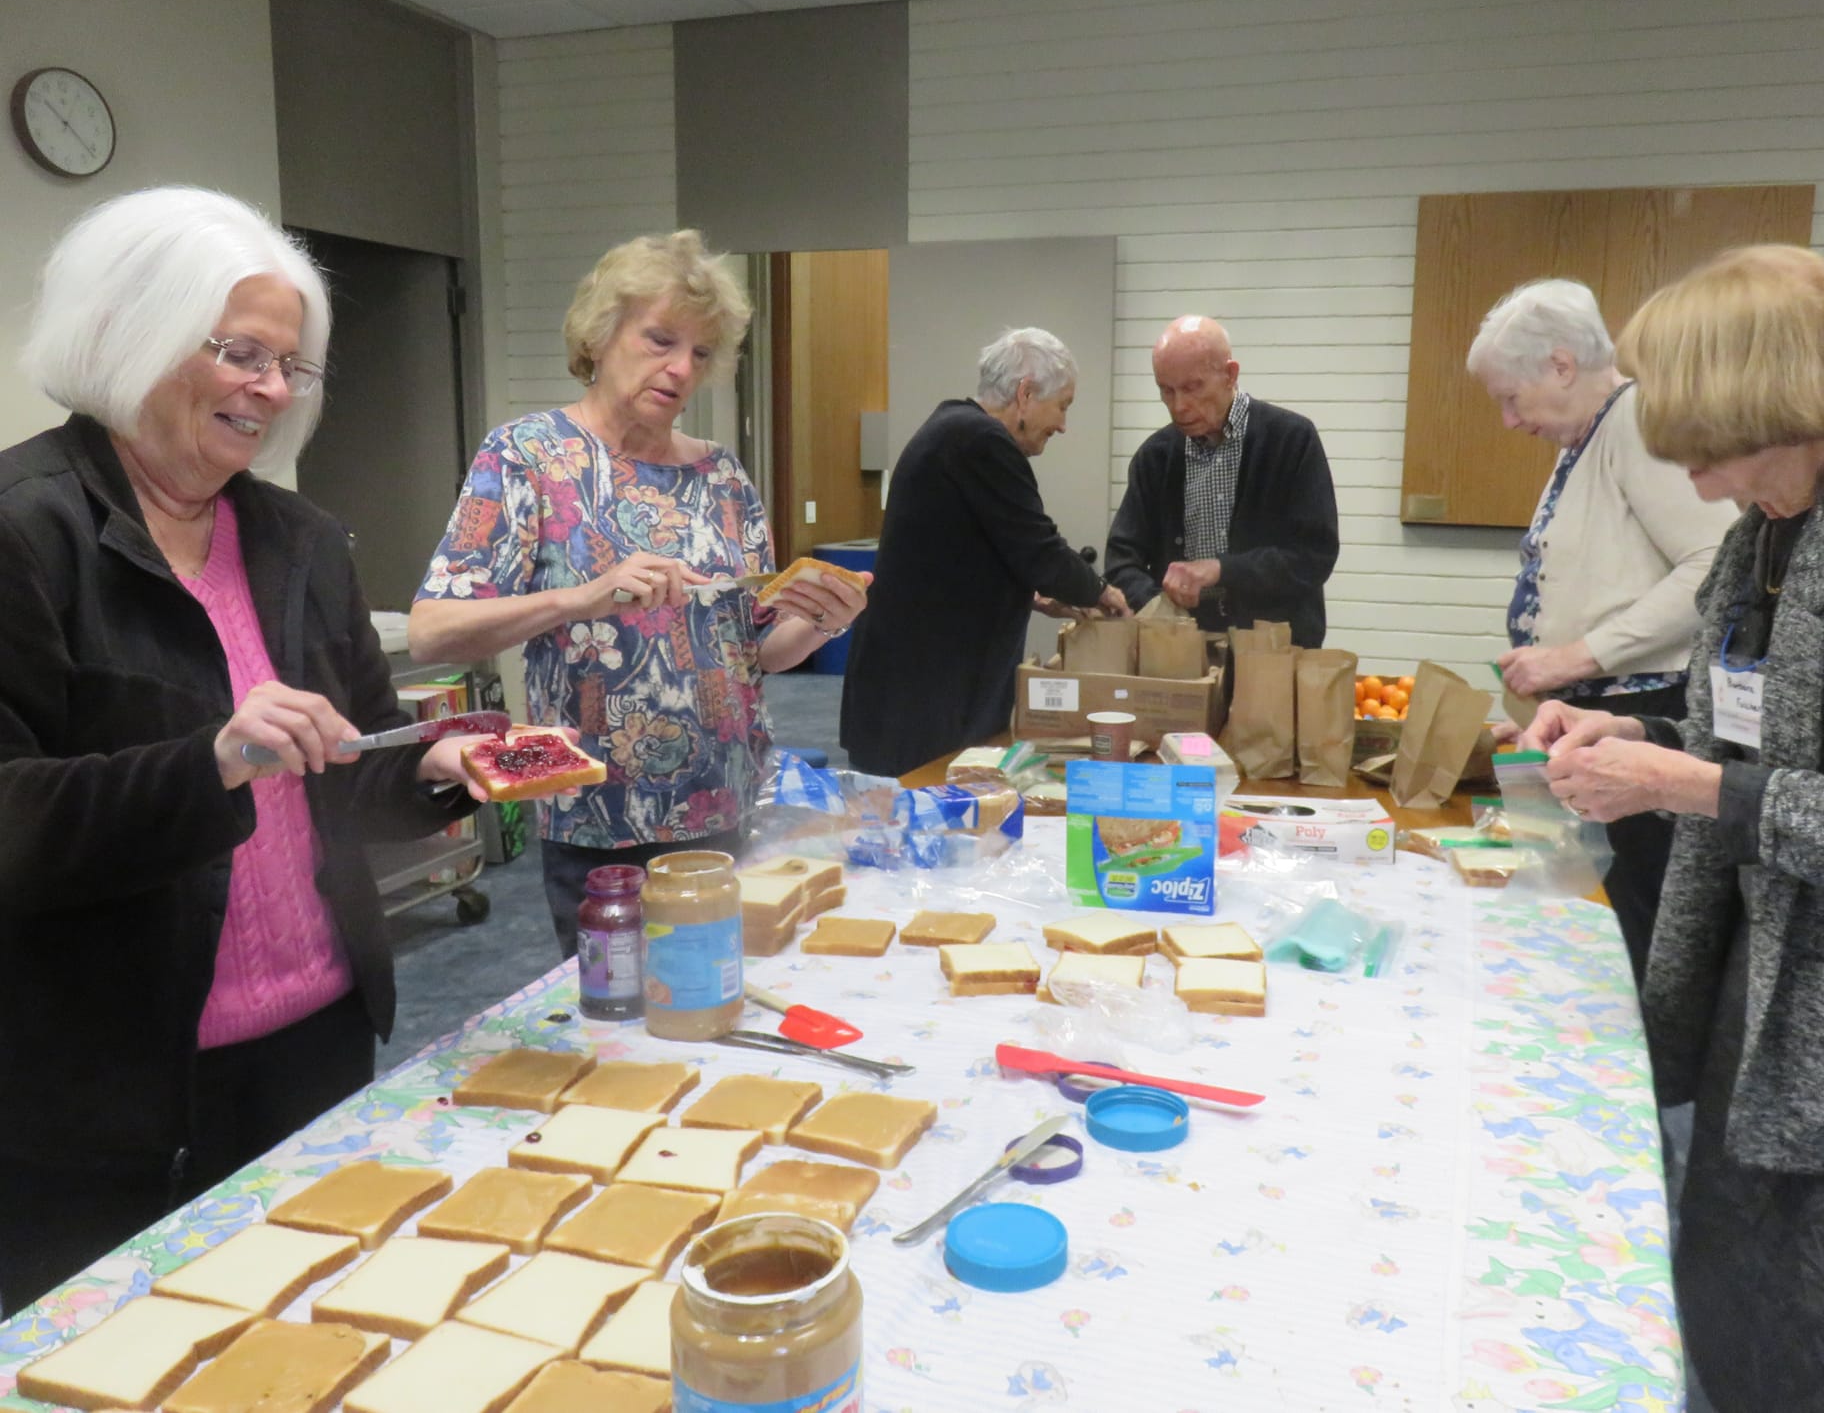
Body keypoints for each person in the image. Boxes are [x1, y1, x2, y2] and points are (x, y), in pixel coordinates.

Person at [1521, 244, 1824, 1411]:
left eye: (1708, 451)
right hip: (1764, 995)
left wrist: (1686, 789)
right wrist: (1637, 752)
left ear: (1784, 408)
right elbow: (1758, 752)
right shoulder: (1771, 527)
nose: (1696, 484)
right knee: (1729, 1318)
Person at [0, 187, 489, 1313]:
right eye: (242, 354)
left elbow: (357, 763)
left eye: (290, 363)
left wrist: (437, 769)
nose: (271, 388)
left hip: (317, 1039)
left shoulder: (300, 537)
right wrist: (209, 760)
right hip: (114, 1088)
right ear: (134, 339)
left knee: (318, 1327)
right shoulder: (23, 533)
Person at [408, 231, 865, 957]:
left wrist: (819, 623)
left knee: (728, 1008)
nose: (681, 368)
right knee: (626, 1030)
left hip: (727, 810)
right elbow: (433, 630)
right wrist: (583, 599)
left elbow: (756, 650)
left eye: (702, 353)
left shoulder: (722, 475)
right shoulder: (526, 457)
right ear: (601, 332)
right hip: (600, 823)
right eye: (660, 339)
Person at [1467, 279, 1734, 984]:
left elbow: (1712, 565)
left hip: (1643, 718)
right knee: (1599, 905)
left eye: (1511, 398)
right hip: (1598, 712)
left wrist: (1573, 656)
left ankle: (1642, 1070)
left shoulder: (1636, 424)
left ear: (1561, 366)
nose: (1508, 421)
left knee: (1633, 914)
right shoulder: (1588, 433)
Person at [840, 328, 1126, 778]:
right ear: (1025, 393)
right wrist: (1102, 592)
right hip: (924, 706)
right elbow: (1040, 551)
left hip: (909, 694)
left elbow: (958, 556)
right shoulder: (980, 442)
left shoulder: (953, 430)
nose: (1064, 425)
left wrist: (1031, 596)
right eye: (1063, 406)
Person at [1104, 315, 1338, 645]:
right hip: (1181, 649)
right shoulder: (1155, 458)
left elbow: (1314, 556)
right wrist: (1160, 606)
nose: (1179, 406)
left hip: (1275, 648)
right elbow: (1120, 563)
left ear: (1230, 375)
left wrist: (1222, 570)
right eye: (1166, 391)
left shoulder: (1291, 440)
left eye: (1192, 387)